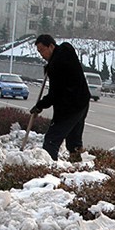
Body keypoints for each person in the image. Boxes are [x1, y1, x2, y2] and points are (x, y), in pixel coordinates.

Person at [30, 34, 91, 162]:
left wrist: (40, 106)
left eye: (42, 50)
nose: (41, 54)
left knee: (51, 141)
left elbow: (54, 94)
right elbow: (65, 49)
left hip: (69, 107)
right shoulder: (66, 52)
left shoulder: (56, 65)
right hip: (82, 103)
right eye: (39, 51)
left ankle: (49, 169)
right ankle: (77, 167)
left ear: (51, 46)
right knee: (74, 142)